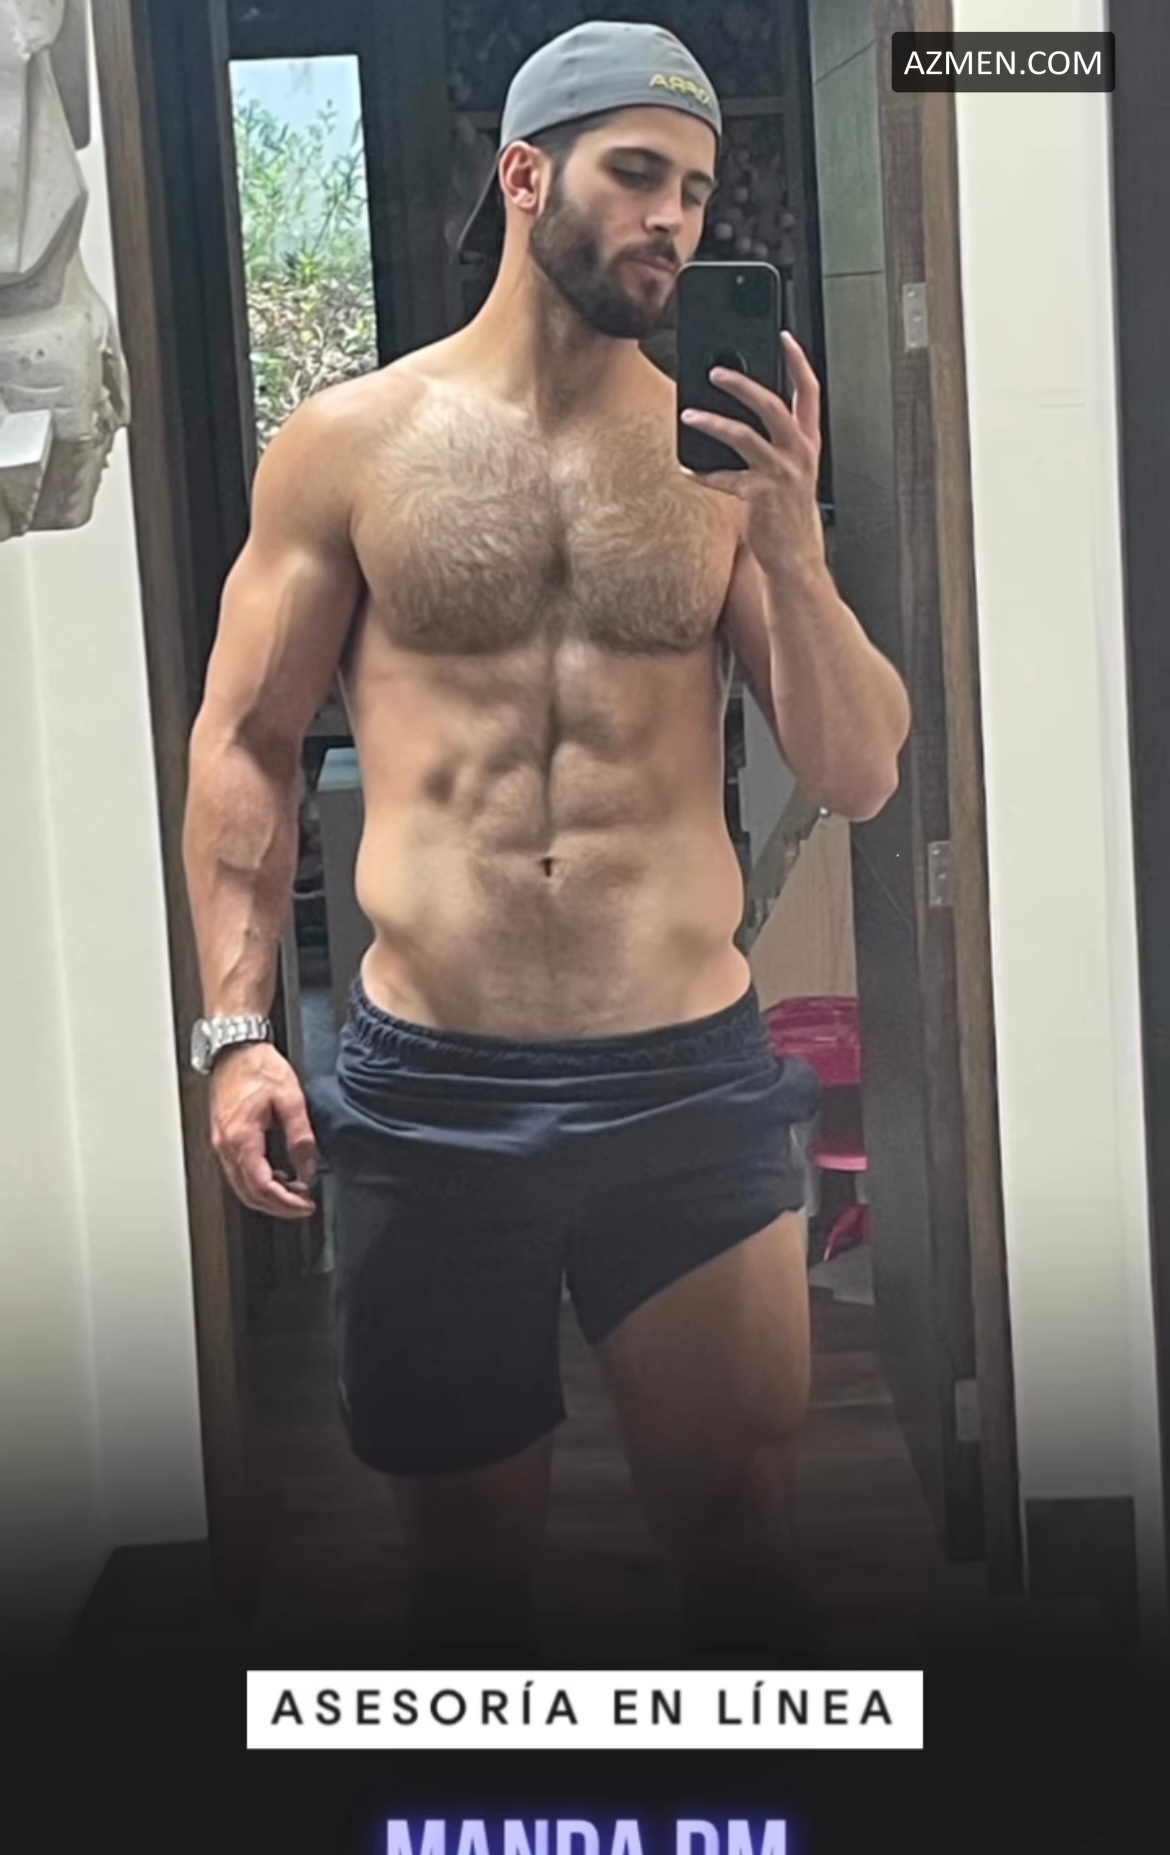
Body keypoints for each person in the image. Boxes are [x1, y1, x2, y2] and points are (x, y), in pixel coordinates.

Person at [181, 21, 912, 1666]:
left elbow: (858, 770)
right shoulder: (348, 445)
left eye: (696, 191)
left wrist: (789, 543)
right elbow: (244, 741)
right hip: (432, 1091)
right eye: (636, 175)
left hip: (683, 1082)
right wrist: (236, 1032)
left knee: (739, 1544)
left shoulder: (720, 465)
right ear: (524, 175)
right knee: (463, 1577)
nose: (671, 220)